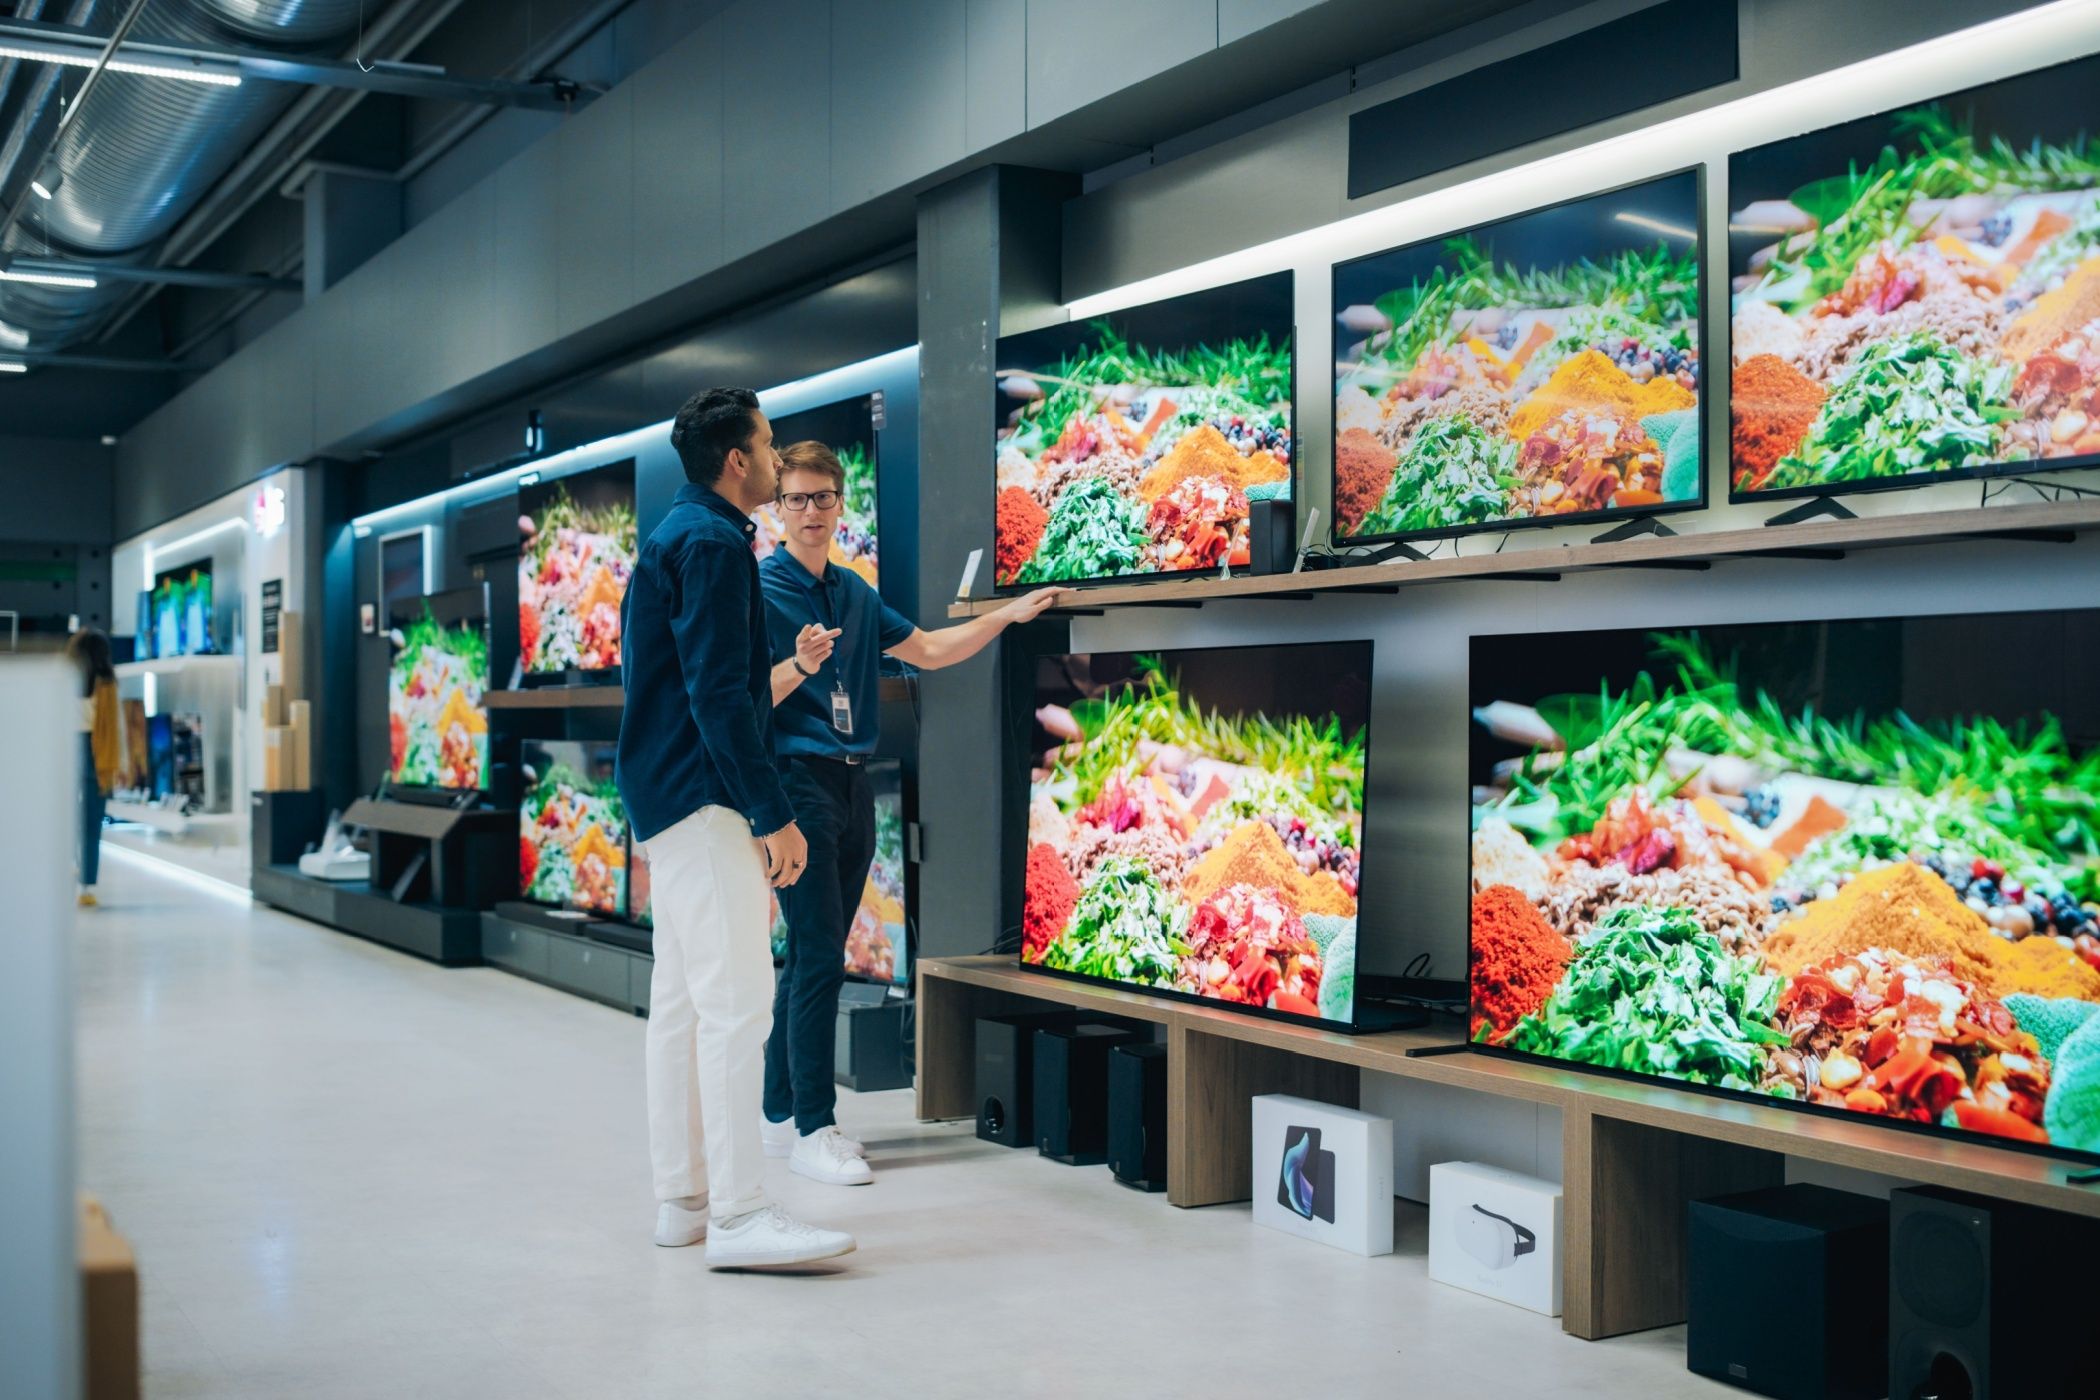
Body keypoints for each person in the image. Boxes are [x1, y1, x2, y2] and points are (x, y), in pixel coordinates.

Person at [756, 440, 1061, 1184]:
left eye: (822, 498)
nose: (809, 512)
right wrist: (799, 665)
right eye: (794, 499)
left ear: (839, 502)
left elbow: (926, 648)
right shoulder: (758, 590)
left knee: (811, 951)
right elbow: (742, 699)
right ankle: (813, 1127)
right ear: (776, 509)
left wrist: (1007, 616)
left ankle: (776, 1114)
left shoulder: (855, 591)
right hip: (797, 781)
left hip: (854, 781)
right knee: (821, 951)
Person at [616, 388, 854, 1270]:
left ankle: (685, 1200)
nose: (776, 456)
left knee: (680, 1005)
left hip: (662, 795)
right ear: (736, 462)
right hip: (705, 796)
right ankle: (742, 1215)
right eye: (766, 446)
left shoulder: (675, 533)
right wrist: (773, 814)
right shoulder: (714, 543)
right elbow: (720, 696)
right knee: (738, 1004)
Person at [68, 628, 119, 908]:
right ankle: (85, 888)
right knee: (91, 824)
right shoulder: (107, 683)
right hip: (95, 751)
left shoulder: (64, 680)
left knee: (64, 819)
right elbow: (112, 728)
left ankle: (67, 868)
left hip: (65, 750)